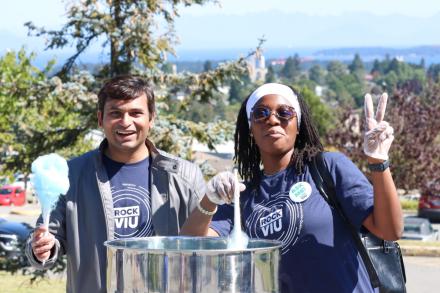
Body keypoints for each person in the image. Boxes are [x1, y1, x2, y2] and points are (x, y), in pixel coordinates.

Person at [181, 83, 403, 292]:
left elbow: (390, 230)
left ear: (299, 125)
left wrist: (378, 162)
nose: (273, 120)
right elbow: (191, 246)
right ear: (250, 128)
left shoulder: (328, 167)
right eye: (261, 113)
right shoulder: (243, 197)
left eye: (284, 112)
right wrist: (210, 199)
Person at [26, 75, 206, 293]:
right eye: (116, 113)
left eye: (136, 113)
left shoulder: (184, 176)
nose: (126, 121)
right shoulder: (71, 176)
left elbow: (205, 245)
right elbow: (48, 240)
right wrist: (42, 248)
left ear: (151, 118)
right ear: (100, 119)